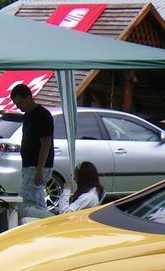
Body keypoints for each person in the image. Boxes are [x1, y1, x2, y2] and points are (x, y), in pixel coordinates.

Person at [10, 83, 54, 214]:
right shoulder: (28, 115)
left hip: (37, 166)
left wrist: (39, 170)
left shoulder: (42, 115)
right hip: (28, 166)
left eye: (20, 102)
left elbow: (46, 144)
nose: (18, 106)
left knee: (25, 202)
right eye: (16, 104)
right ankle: (47, 224)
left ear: (29, 97)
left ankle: (40, 223)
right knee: (36, 201)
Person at [21, 161, 105, 221]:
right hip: (64, 219)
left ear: (83, 178)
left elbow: (64, 213)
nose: (75, 179)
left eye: (76, 176)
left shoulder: (87, 197)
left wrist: (66, 191)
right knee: (28, 211)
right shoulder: (92, 191)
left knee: (27, 211)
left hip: (63, 221)